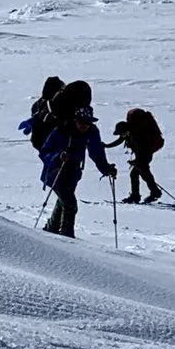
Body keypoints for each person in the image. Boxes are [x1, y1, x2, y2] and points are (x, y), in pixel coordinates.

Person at [37, 80, 113, 238]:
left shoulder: (91, 132)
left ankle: (52, 228)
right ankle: (67, 237)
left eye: (88, 123)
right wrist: (58, 157)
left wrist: (106, 168)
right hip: (55, 171)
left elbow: (96, 151)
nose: (85, 126)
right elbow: (45, 152)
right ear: (75, 120)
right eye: (82, 122)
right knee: (70, 204)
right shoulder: (61, 131)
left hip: (73, 172)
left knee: (63, 201)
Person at [113, 108, 165, 205]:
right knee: (144, 173)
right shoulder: (131, 132)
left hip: (146, 154)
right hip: (145, 153)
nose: (121, 135)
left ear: (125, 131)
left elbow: (143, 151)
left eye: (122, 133)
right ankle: (153, 192)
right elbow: (120, 140)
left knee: (137, 173)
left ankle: (138, 196)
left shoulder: (137, 136)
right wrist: (106, 145)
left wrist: (136, 161)